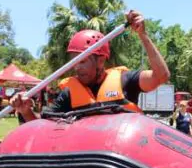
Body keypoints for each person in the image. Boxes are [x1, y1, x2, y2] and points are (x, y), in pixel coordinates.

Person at [9, 10, 170, 121]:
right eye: (74, 62)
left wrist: (143, 35)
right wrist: (26, 111)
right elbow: (42, 127)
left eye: (83, 61)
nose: (77, 68)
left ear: (101, 60)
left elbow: (161, 76)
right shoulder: (68, 94)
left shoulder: (125, 80)